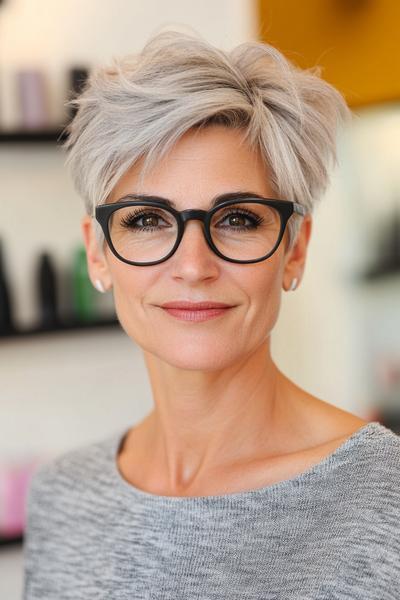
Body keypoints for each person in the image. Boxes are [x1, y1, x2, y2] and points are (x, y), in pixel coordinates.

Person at [23, 28, 400, 599]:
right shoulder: (62, 495)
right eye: (147, 220)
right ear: (97, 253)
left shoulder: (385, 496)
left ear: (294, 250)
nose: (193, 265)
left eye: (238, 219)